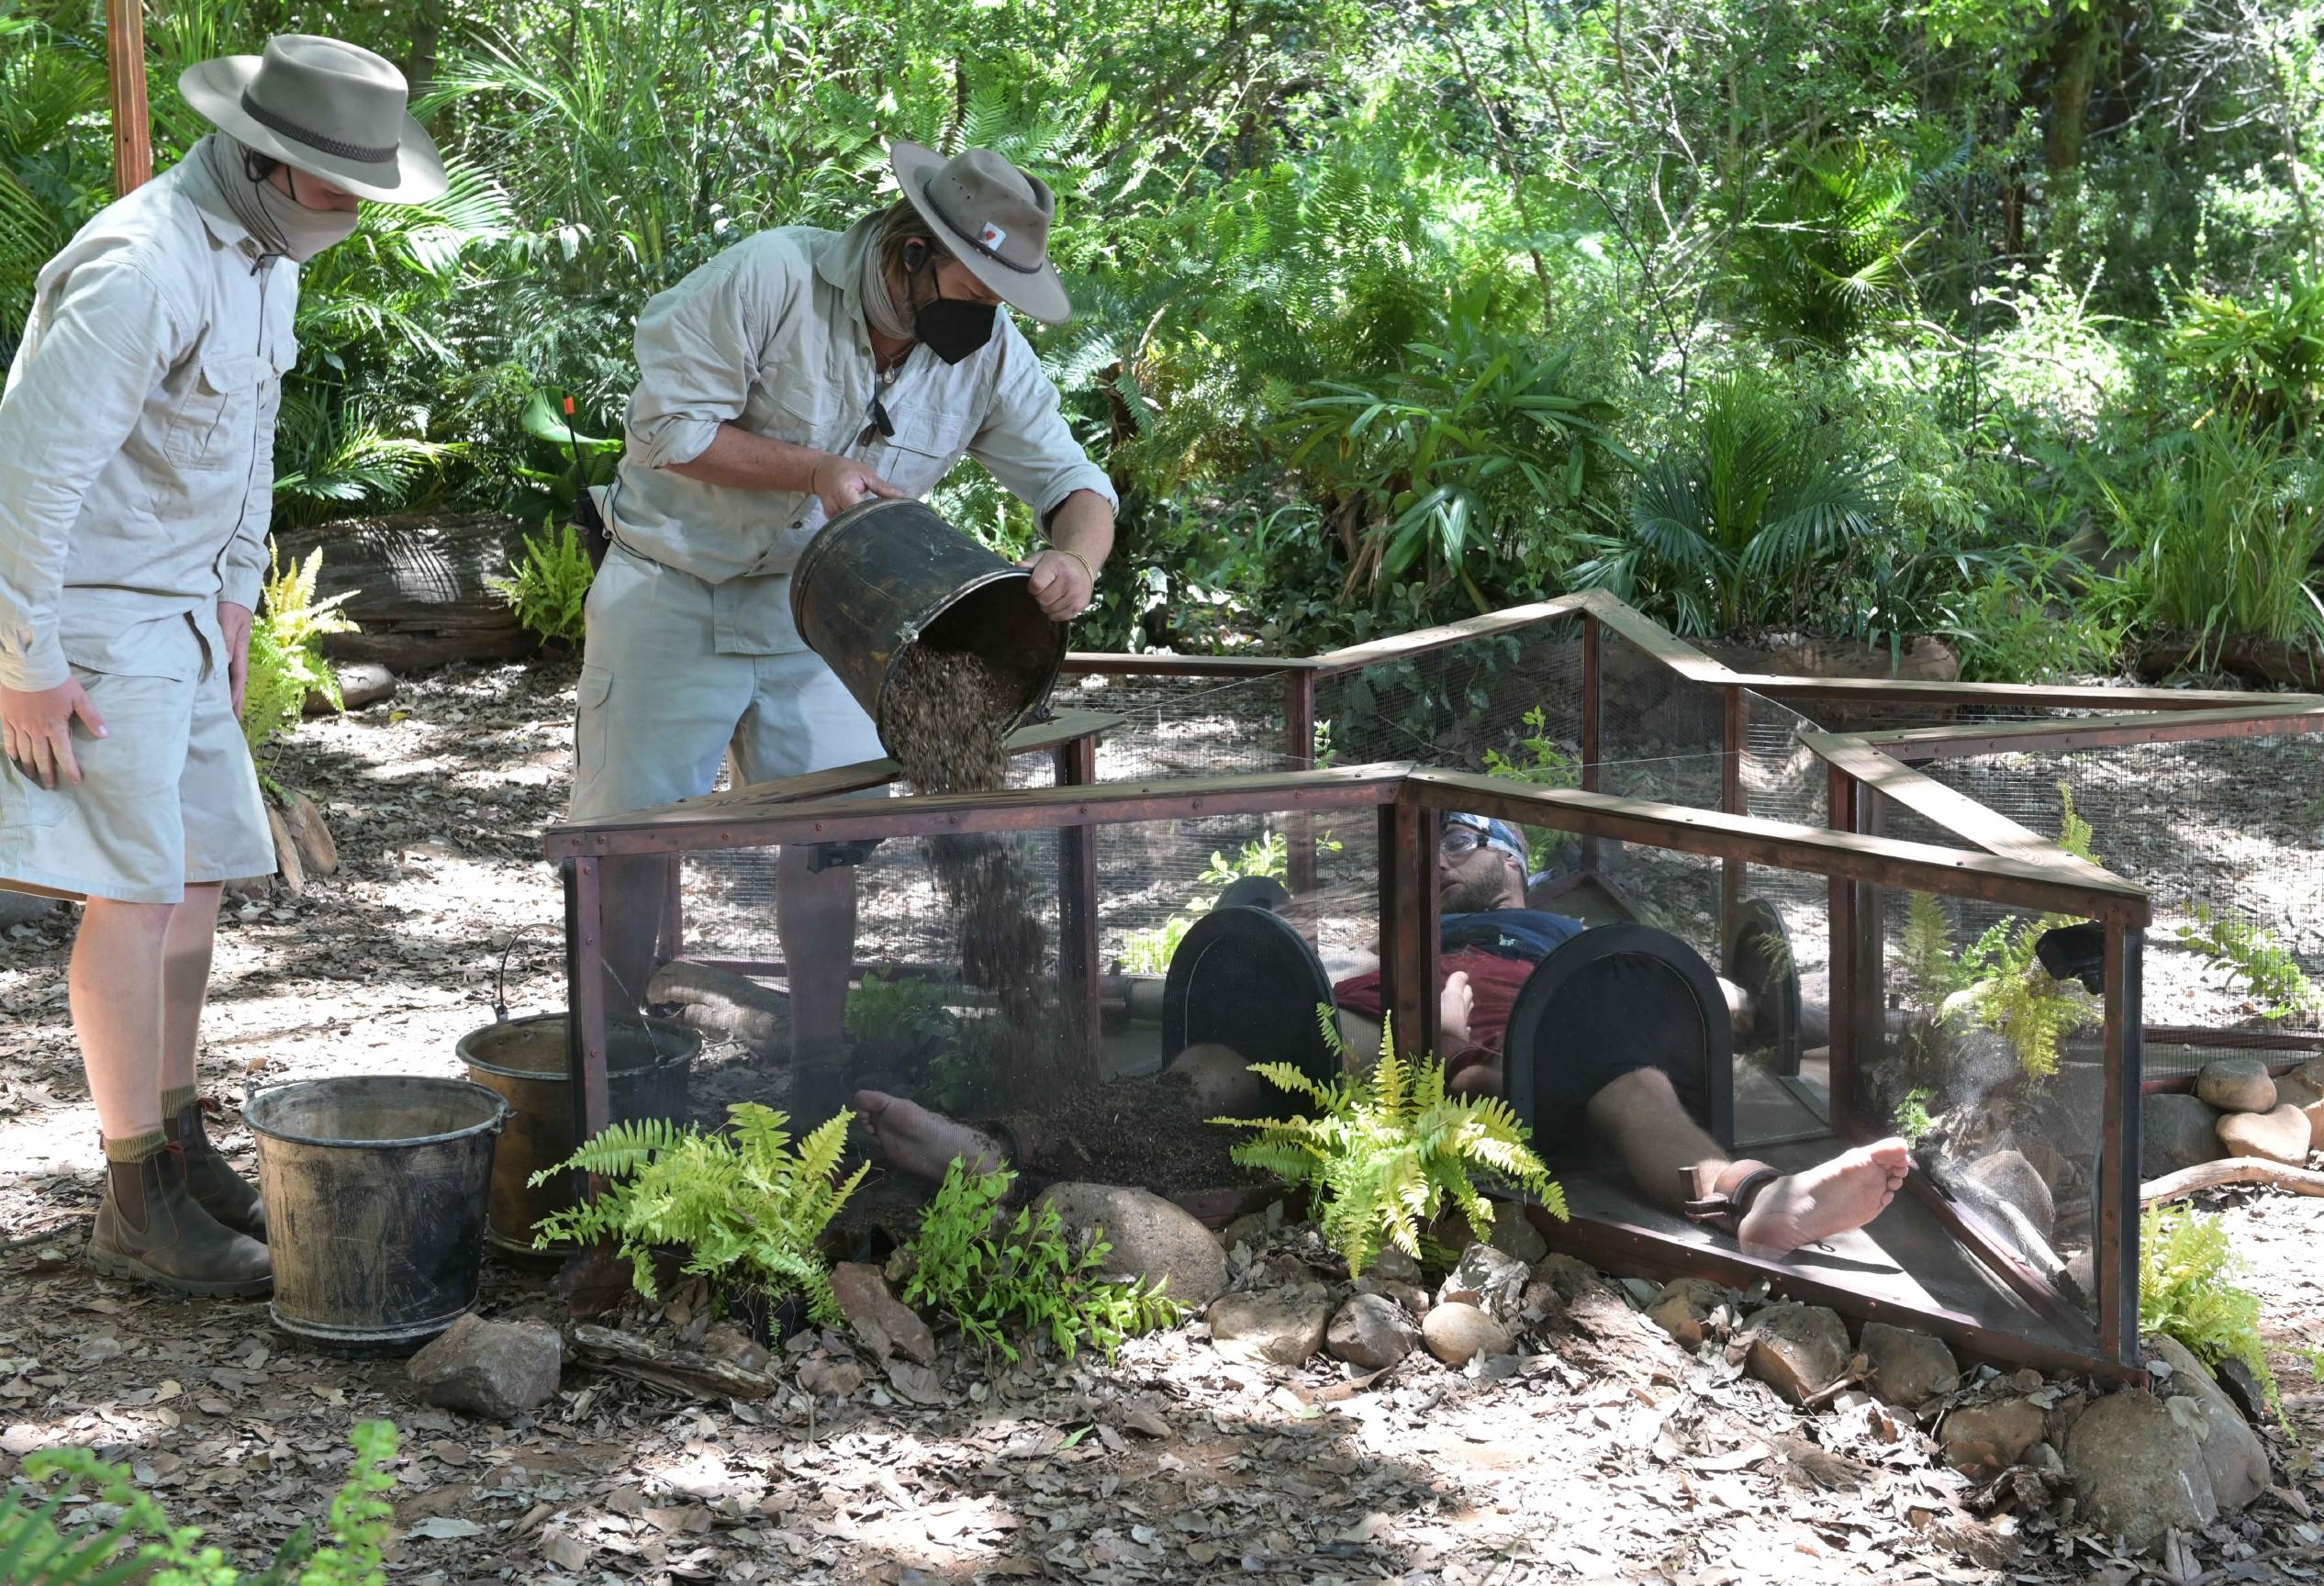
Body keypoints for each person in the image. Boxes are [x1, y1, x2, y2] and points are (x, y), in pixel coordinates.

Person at [0, 38, 449, 1294]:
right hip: (88, 617)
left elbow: (246, 439)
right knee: (132, 899)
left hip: (188, 612)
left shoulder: (264, 258)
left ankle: (178, 1140)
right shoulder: (139, 267)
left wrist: (241, 589)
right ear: (267, 161)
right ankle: (132, 1195)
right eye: (340, 184)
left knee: (196, 882)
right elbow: (28, 477)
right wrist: (21, 657)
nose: (356, 211)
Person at [574, 142, 1119, 1116]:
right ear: (912, 251)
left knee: (826, 843)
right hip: (671, 588)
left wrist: (1074, 558)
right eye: (976, 283)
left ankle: (817, 1078)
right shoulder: (769, 277)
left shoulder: (987, 348)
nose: (988, 309)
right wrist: (814, 471)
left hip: (827, 618)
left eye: (1004, 293)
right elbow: (668, 432)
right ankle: (616, 1078)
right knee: (631, 840)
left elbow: (1075, 484)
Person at [855, 813, 1910, 1260]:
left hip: (1544, 1040)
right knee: (1218, 1069)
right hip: (1386, 1029)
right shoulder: (1409, 932)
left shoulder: (1568, 933)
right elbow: (1179, 994)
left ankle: (1763, 1205)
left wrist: (1846, 1021)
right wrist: (1107, 992)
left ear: (1516, 863)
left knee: (1645, 1097)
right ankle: (1001, 1145)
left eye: (1462, 840)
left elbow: (1726, 1004)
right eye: (1434, 844)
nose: (1442, 860)